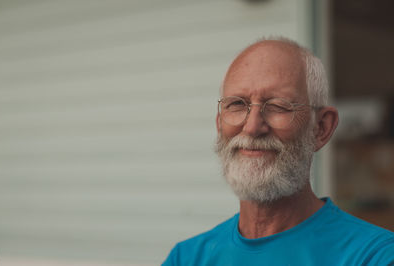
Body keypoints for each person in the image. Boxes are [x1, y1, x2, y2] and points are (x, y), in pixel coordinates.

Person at [162, 37, 394, 265]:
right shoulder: (186, 258)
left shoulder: (375, 257)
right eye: (237, 104)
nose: (252, 127)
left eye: (277, 106)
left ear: (321, 128)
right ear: (219, 122)